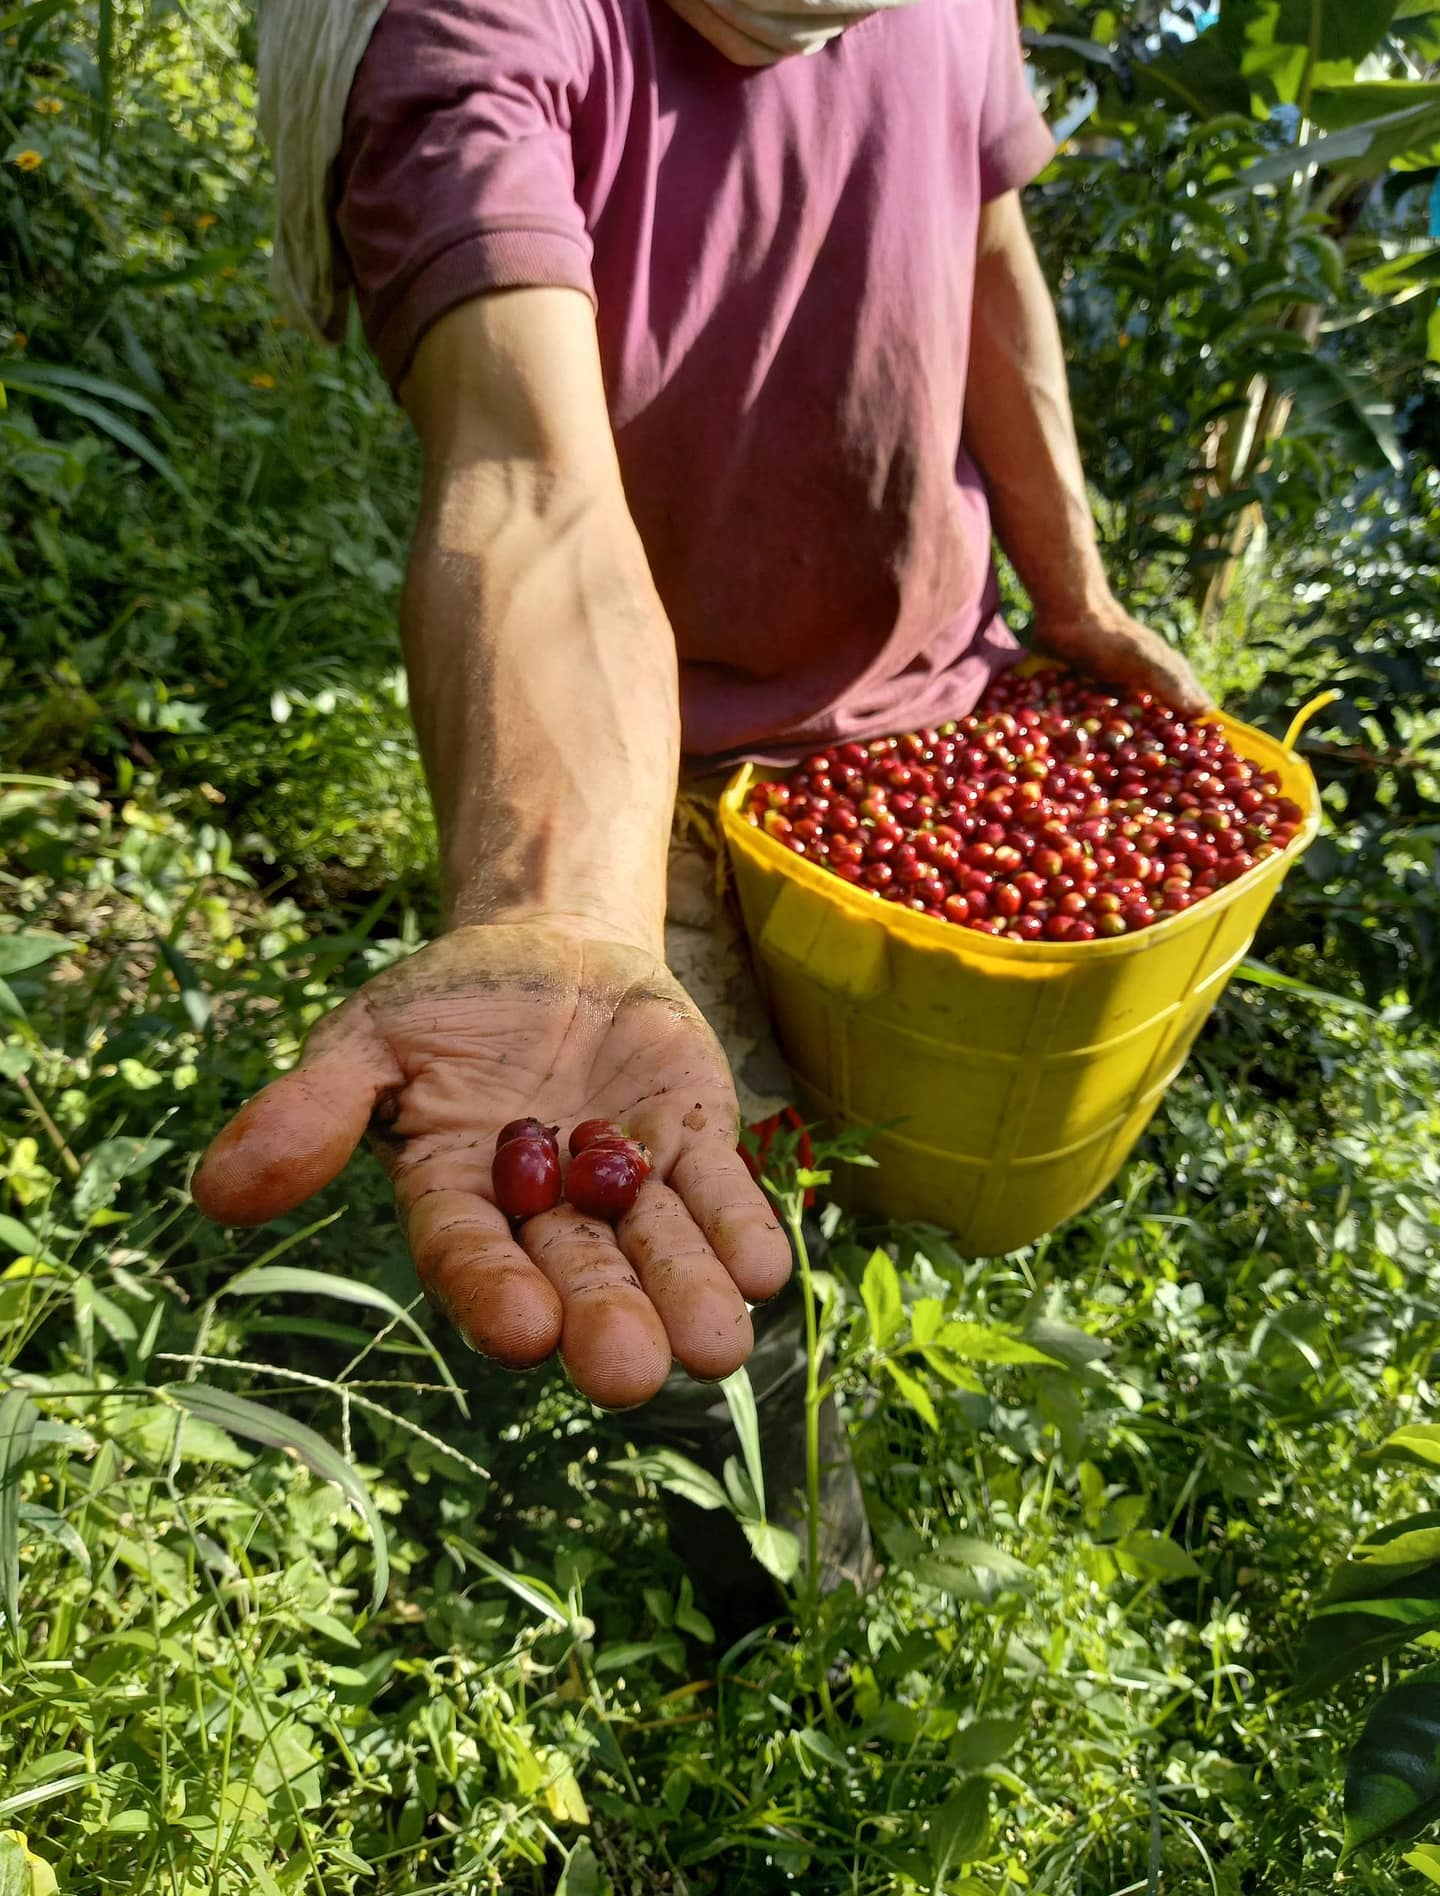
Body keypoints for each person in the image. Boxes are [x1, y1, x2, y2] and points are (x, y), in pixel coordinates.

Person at [195, 0, 1208, 1617]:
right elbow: (528, 488)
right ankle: (792, 1637)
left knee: (905, 1162)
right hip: (646, 779)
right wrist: (562, 919)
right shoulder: (475, 27)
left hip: (929, 712)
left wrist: (1073, 590)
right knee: (725, 1298)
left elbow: (988, 239)